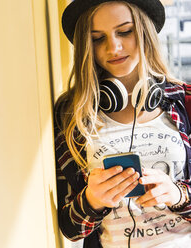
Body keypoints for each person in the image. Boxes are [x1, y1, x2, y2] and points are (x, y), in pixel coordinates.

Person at [55, 0, 191, 247]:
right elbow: (70, 229)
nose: (114, 47)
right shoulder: (70, 114)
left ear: (144, 32)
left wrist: (179, 195)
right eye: (97, 38)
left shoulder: (187, 101)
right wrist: (91, 200)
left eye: (125, 32)